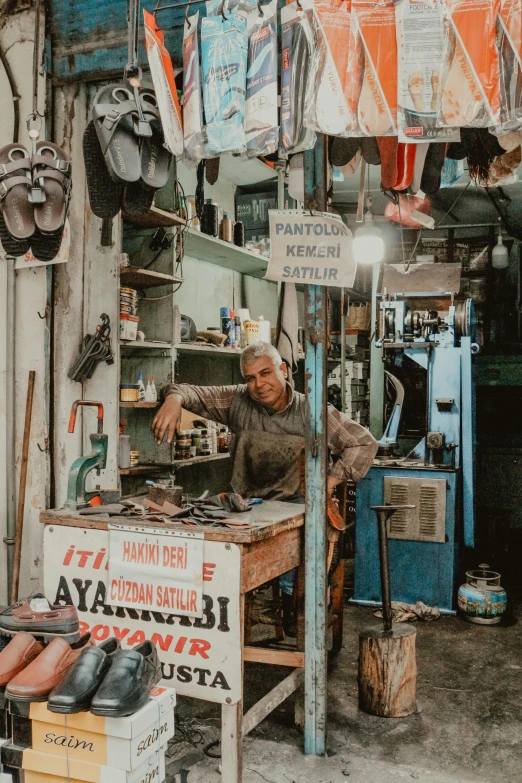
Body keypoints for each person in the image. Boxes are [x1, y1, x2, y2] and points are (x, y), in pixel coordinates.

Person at [152, 341, 378, 634]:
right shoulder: (237, 400)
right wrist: (174, 399)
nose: (259, 384)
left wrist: (331, 480)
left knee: (295, 553)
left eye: (266, 373)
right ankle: (223, 615)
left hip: (295, 504)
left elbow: (363, 442)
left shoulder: (313, 412)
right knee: (206, 542)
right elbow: (188, 391)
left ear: (283, 370)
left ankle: (290, 601)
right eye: (250, 378)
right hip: (246, 504)